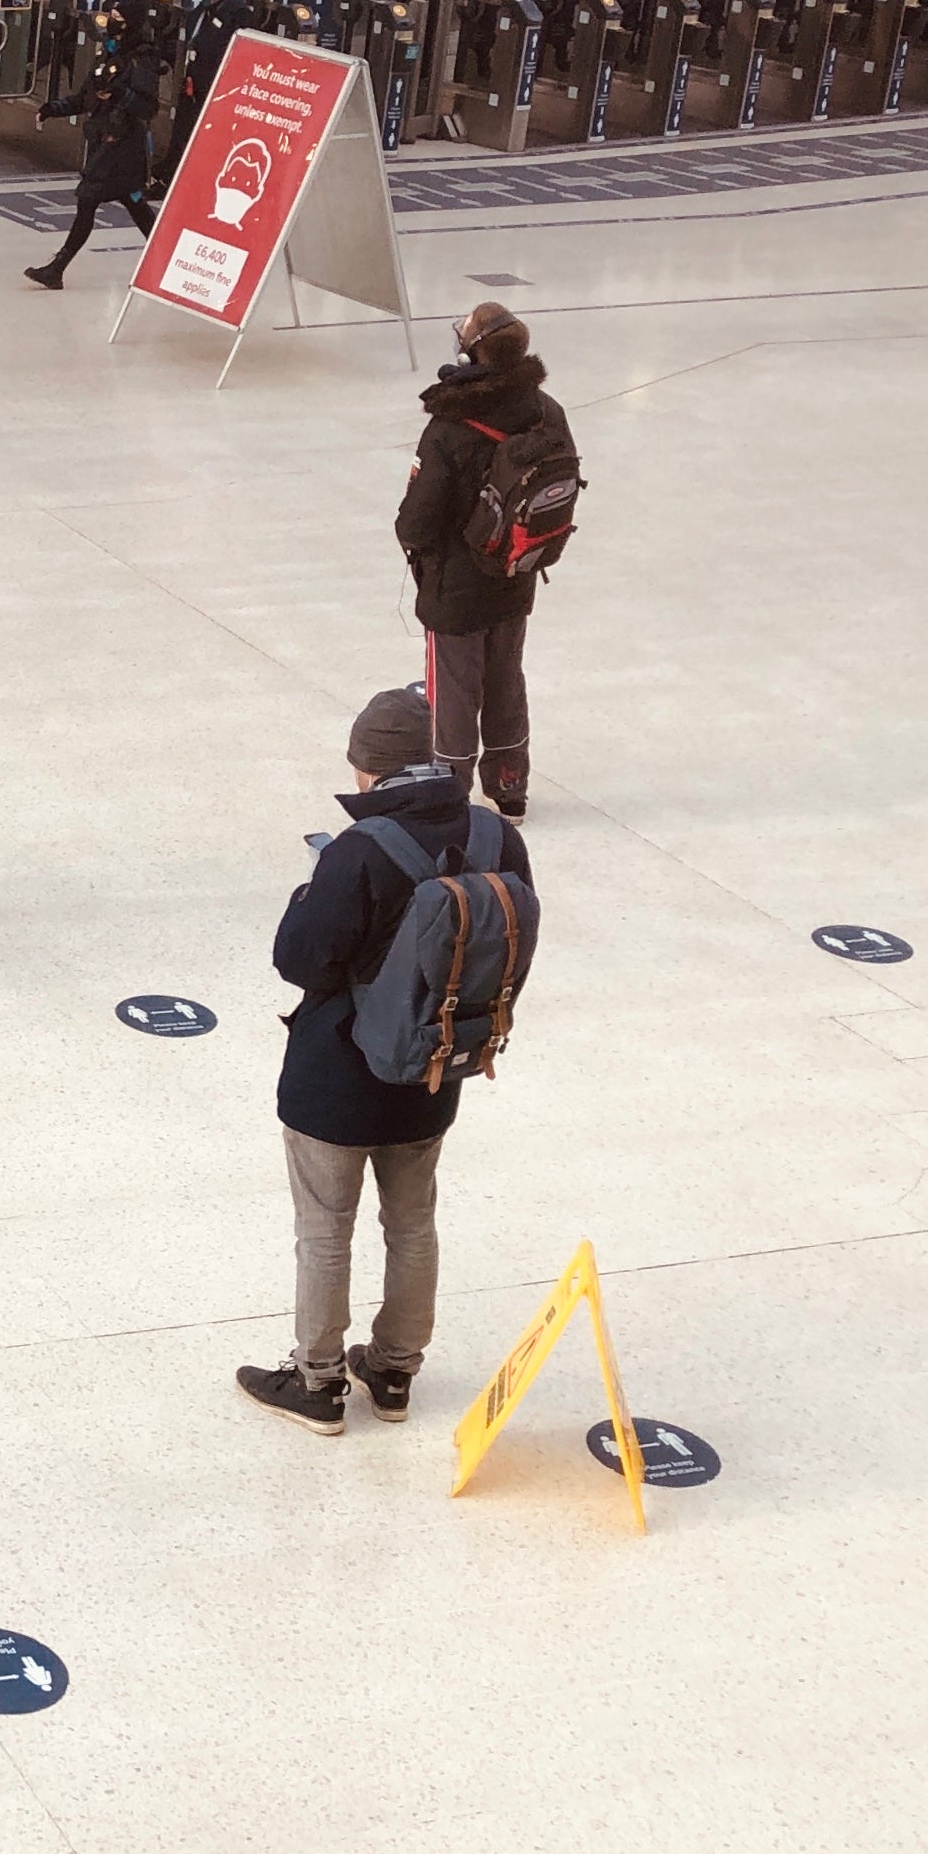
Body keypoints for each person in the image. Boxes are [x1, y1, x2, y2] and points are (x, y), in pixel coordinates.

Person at [238, 685, 538, 1435]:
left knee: (324, 1227)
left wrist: (309, 892)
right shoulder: (495, 838)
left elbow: (299, 959)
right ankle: (396, 1369)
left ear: (368, 769)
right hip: (436, 1065)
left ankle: (316, 1381)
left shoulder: (360, 849)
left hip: (337, 1075)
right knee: (411, 1223)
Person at [395, 300, 569, 820]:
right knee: (505, 675)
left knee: (454, 684)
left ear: (473, 351)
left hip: (455, 581)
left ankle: (449, 790)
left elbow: (418, 520)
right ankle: (509, 783)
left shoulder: (451, 426)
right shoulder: (546, 409)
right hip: (517, 569)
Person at [22, 4, 161, 288]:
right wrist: (53, 108)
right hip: (104, 140)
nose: (112, 22)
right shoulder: (108, 52)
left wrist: (119, 94)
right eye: (111, 16)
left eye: (119, 19)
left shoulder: (142, 60)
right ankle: (165, 258)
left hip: (123, 146)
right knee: (135, 203)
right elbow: (85, 97)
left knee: (88, 199)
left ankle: (57, 268)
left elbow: (147, 107)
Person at [152, 0, 252, 196]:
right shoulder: (200, 11)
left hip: (215, 85)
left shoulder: (239, 14)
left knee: (208, 137)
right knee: (182, 132)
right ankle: (168, 178)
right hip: (192, 82)